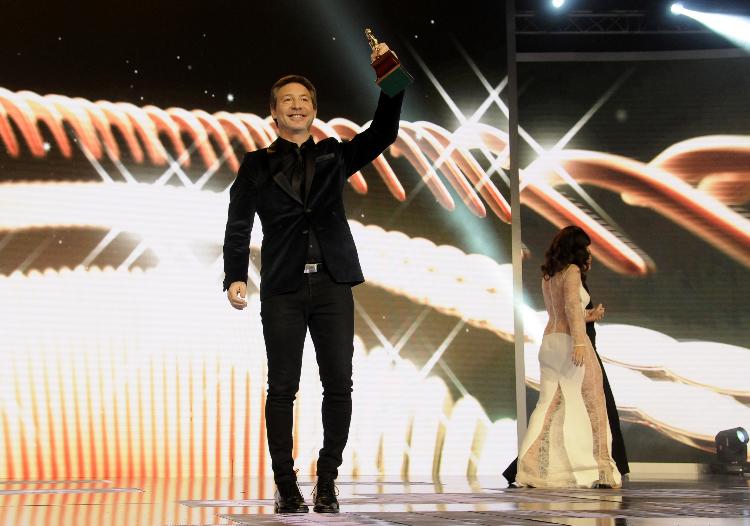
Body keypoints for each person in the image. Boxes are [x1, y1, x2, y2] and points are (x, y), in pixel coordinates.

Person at [222, 44, 404, 514]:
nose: (297, 105)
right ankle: (286, 485)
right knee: (282, 387)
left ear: (314, 110)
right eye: (287, 100)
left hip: (332, 284)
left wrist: (390, 75)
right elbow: (238, 224)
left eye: (304, 99)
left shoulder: (333, 155)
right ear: (274, 112)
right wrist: (235, 275)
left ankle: (327, 479)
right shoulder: (256, 164)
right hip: (282, 287)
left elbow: (384, 131)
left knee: (339, 384)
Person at [513, 226, 622, 488]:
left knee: (546, 406)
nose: (587, 252)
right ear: (576, 248)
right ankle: (599, 469)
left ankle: (528, 470)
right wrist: (580, 343)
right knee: (593, 402)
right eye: (585, 247)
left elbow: (562, 310)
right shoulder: (572, 271)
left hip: (549, 342)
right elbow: (572, 306)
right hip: (569, 342)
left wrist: (589, 316)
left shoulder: (549, 274)